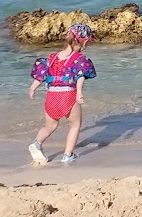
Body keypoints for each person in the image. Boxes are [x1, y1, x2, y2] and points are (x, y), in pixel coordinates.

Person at [28, 23, 96, 165]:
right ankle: (67, 155)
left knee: (50, 126)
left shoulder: (52, 57)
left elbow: (42, 75)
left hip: (51, 96)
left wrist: (33, 88)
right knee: (75, 125)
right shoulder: (79, 59)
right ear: (86, 41)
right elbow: (80, 76)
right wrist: (79, 93)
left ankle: (37, 143)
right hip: (67, 96)